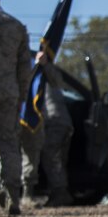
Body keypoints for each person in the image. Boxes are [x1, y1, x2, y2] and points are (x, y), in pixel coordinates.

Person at [0, 0, 32, 217]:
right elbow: (25, 68)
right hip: (10, 92)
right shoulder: (16, 26)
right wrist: (22, 95)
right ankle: (12, 196)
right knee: (9, 145)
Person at [33, 52, 75, 207]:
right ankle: (58, 193)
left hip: (55, 121)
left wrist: (44, 64)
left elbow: (58, 81)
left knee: (51, 157)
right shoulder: (42, 78)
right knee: (58, 159)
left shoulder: (46, 75)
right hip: (60, 121)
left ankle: (60, 193)